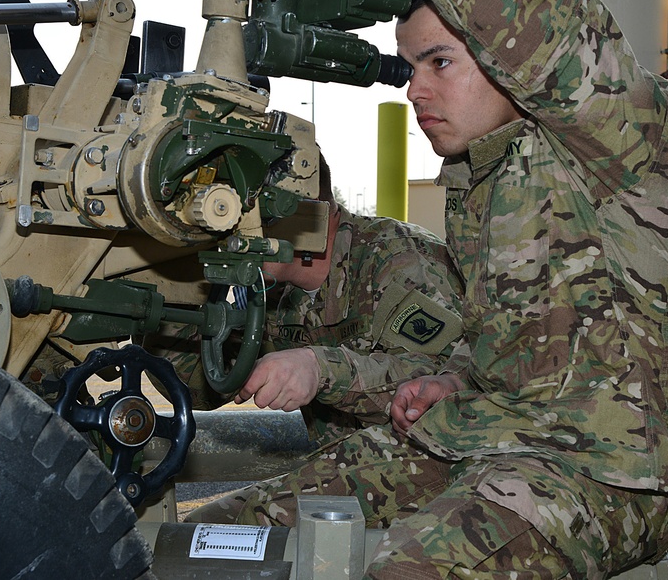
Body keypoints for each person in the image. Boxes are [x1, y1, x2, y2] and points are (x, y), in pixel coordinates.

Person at [196, 0, 668, 579]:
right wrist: (452, 379)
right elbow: (519, 342)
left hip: (606, 474)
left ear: (508, 57)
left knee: (403, 570)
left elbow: (521, 3)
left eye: (440, 62)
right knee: (228, 533)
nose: (416, 89)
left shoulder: (622, 139)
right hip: (481, 439)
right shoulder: (485, 182)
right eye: (411, 67)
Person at [153, 153, 465, 447]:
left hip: (431, 472)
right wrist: (169, 291)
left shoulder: (400, 258)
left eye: (245, 214)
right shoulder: (269, 289)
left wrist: (319, 369)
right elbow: (199, 388)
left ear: (307, 211)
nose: (229, 233)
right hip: (344, 472)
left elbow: (441, 381)